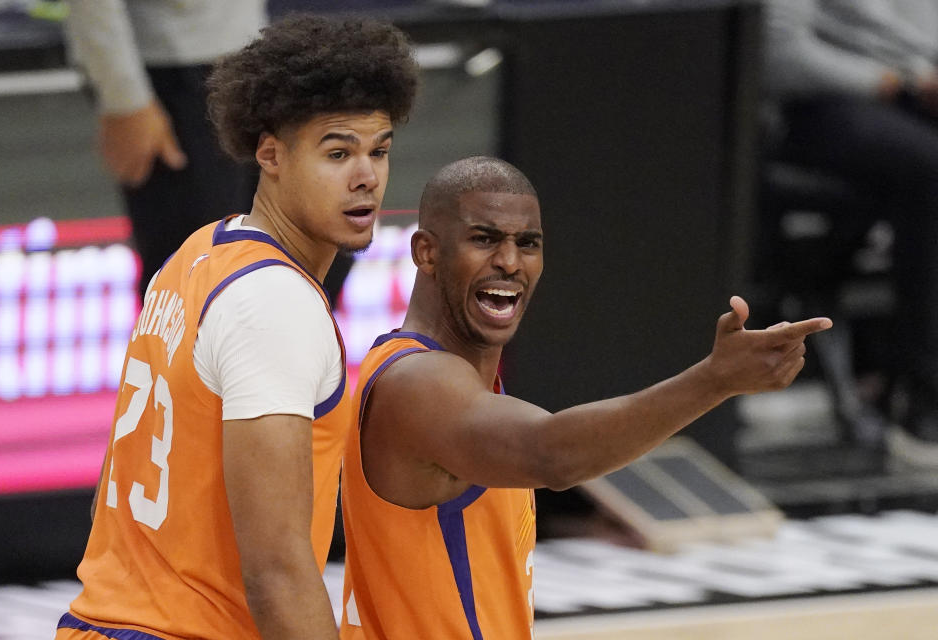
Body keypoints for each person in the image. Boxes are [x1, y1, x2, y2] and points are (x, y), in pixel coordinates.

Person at [338, 156, 832, 639]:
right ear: (426, 252)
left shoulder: (459, 382)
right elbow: (551, 455)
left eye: (527, 243)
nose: (509, 262)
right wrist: (714, 380)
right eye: (483, 239)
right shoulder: (416, 383)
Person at [55, 14, 417, 640]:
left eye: (378, 150)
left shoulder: (196, 253)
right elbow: (276, 568)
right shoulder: (274, 303)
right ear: (269, 153)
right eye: (337, 152)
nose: (367, 176)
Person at [763, 0, 938, 462]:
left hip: (914, 87)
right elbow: (778, 54)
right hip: (818, 103)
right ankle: (921, 395)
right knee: (930, 168)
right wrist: (897, 84)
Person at [63, 0, 266, 295]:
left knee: (267, 271)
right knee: (191, 286)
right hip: (174, 71)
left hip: (249, 53)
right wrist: (124, 98)